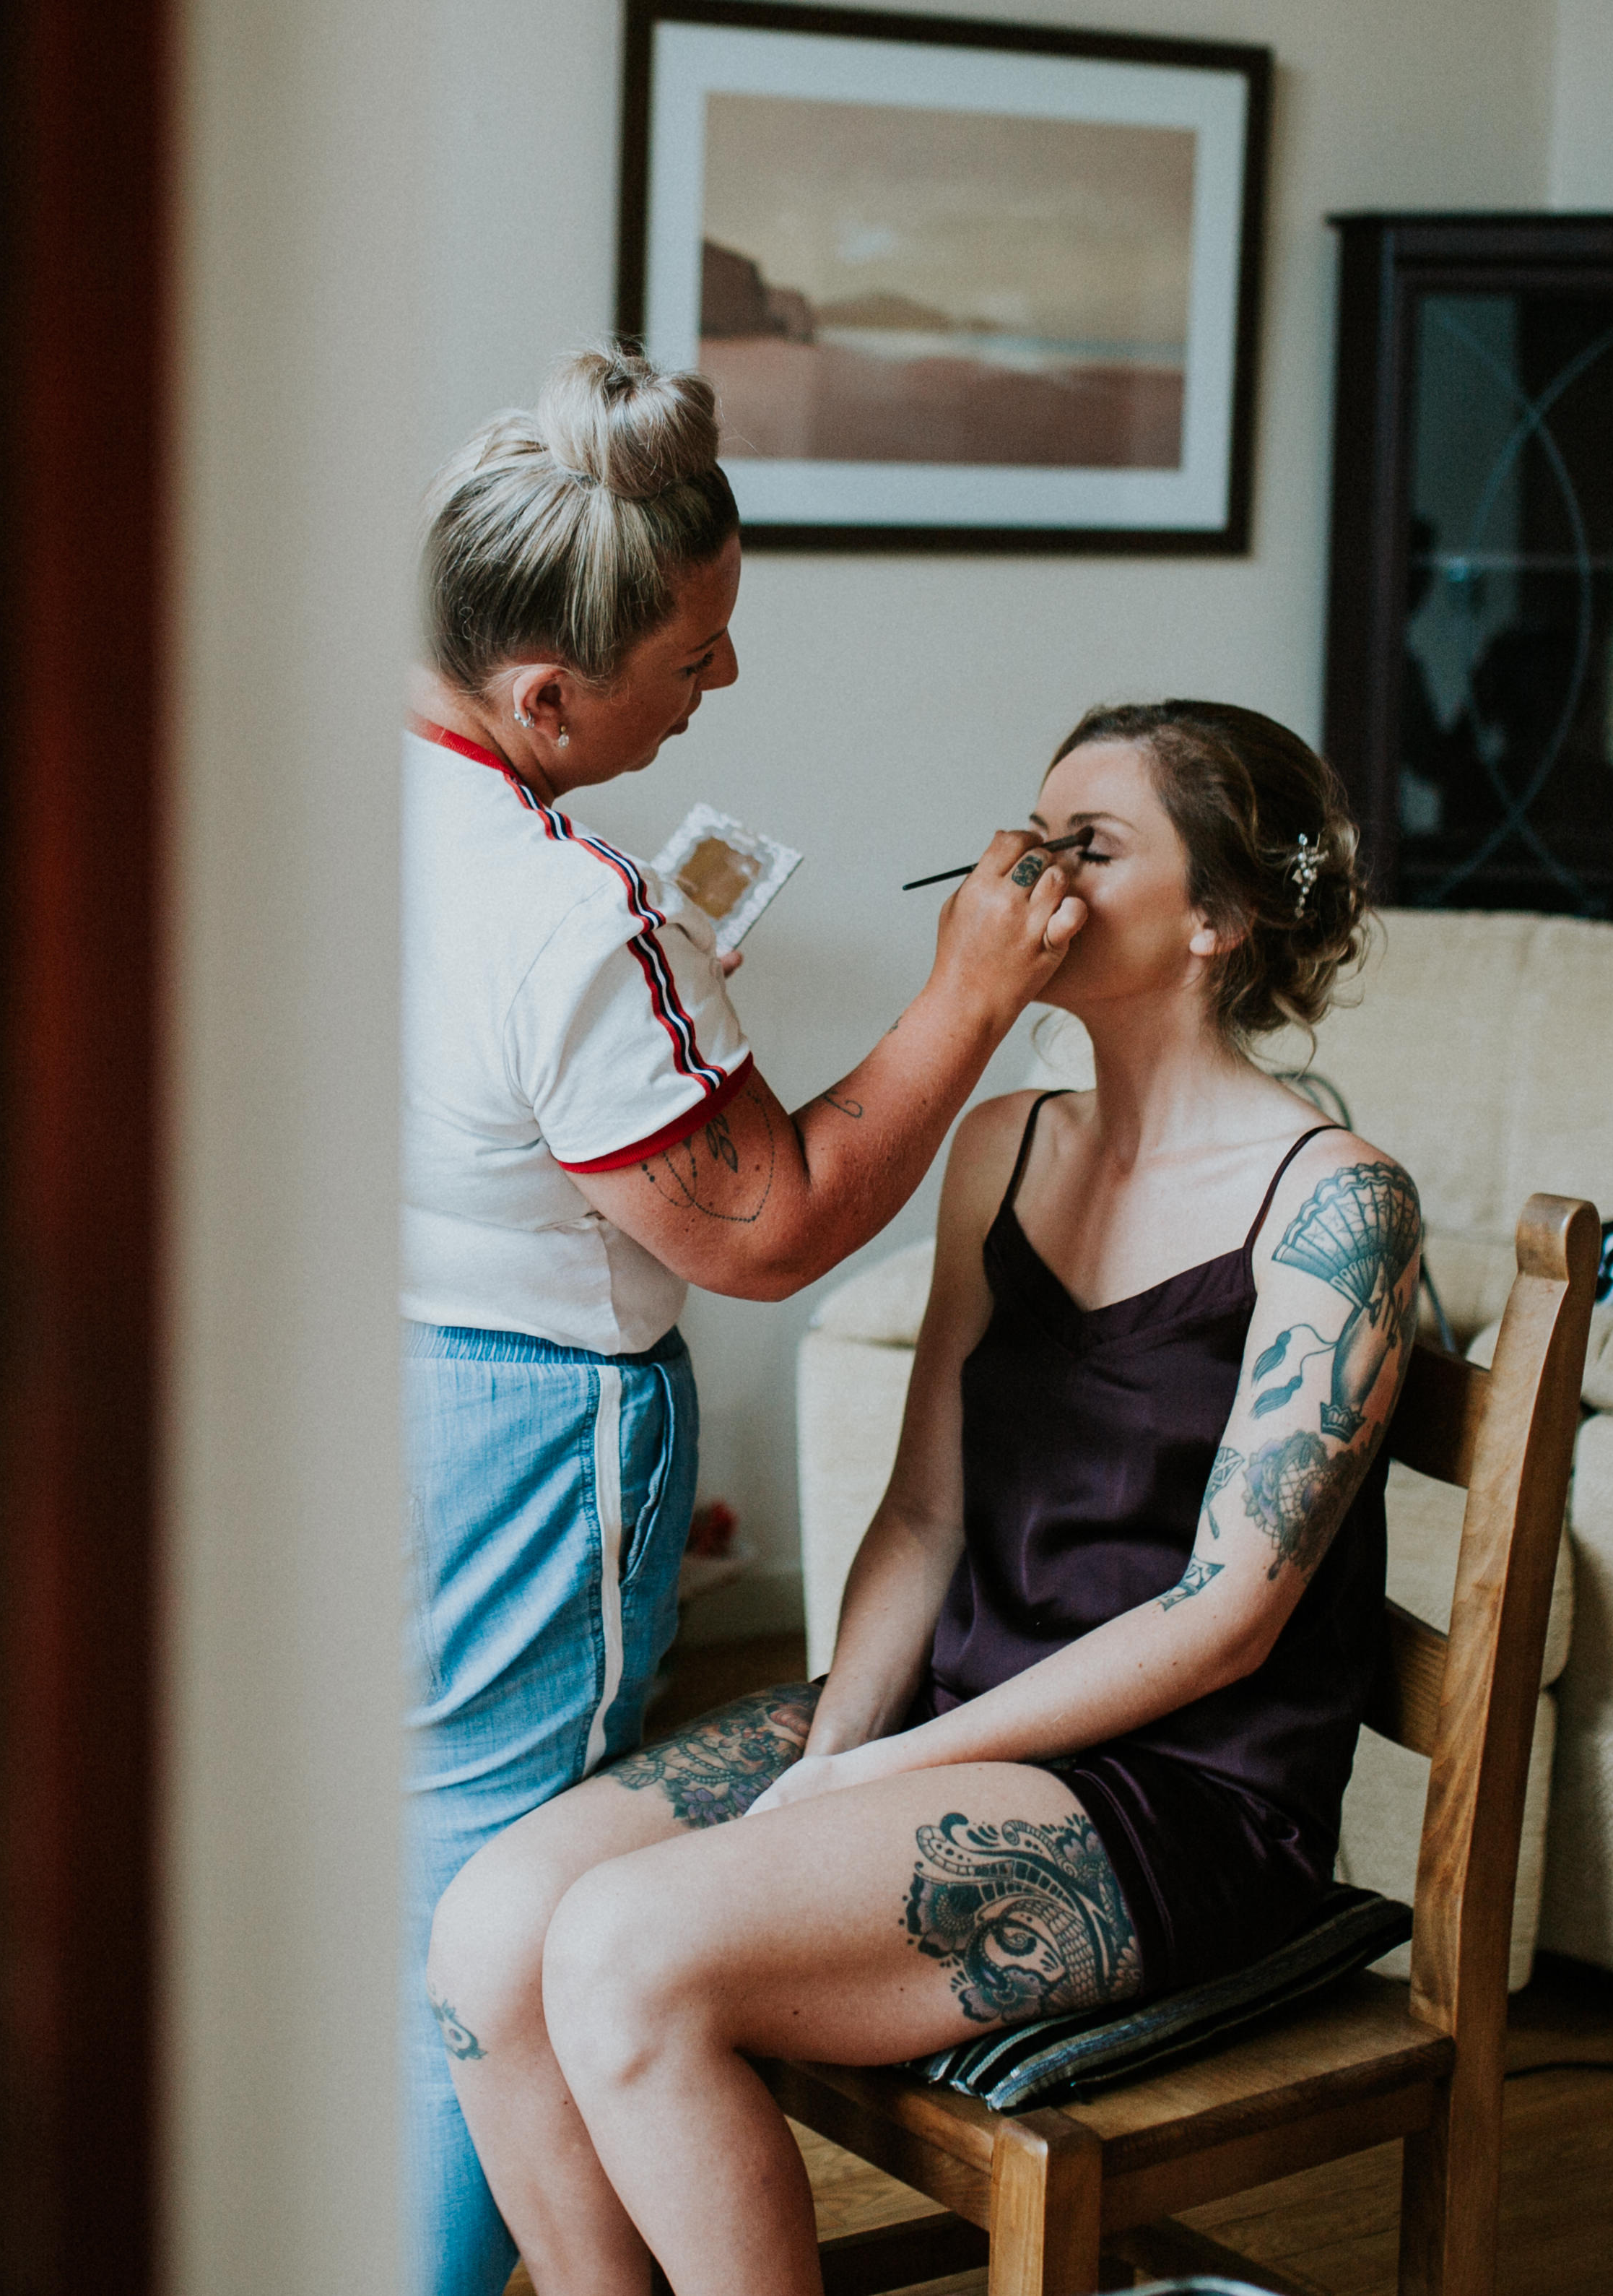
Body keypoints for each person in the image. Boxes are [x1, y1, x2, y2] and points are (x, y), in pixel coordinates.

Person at [423, 701, 1422, 2296]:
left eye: (1085, 848)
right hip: (960, 1707)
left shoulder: (1337, 1202)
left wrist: (884, 1774)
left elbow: (1226, 1621)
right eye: (1025, 832)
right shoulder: (1001, 1146)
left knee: (626, 1954)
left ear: (1217, 922)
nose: (1021, 872)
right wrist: (836, 1749)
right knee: (490, 1926)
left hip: (1178, 1790)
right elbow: (922, 1522)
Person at [401, 346, 1087, 2296]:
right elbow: (765, 1231)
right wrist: (966, 995)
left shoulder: (353, 810)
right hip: (523, 1433)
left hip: (379, 1389)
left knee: (414, 1884)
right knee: (472, 1926)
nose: (723, 681)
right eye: (693, 652)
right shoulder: (560, 916)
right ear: (549, 693)